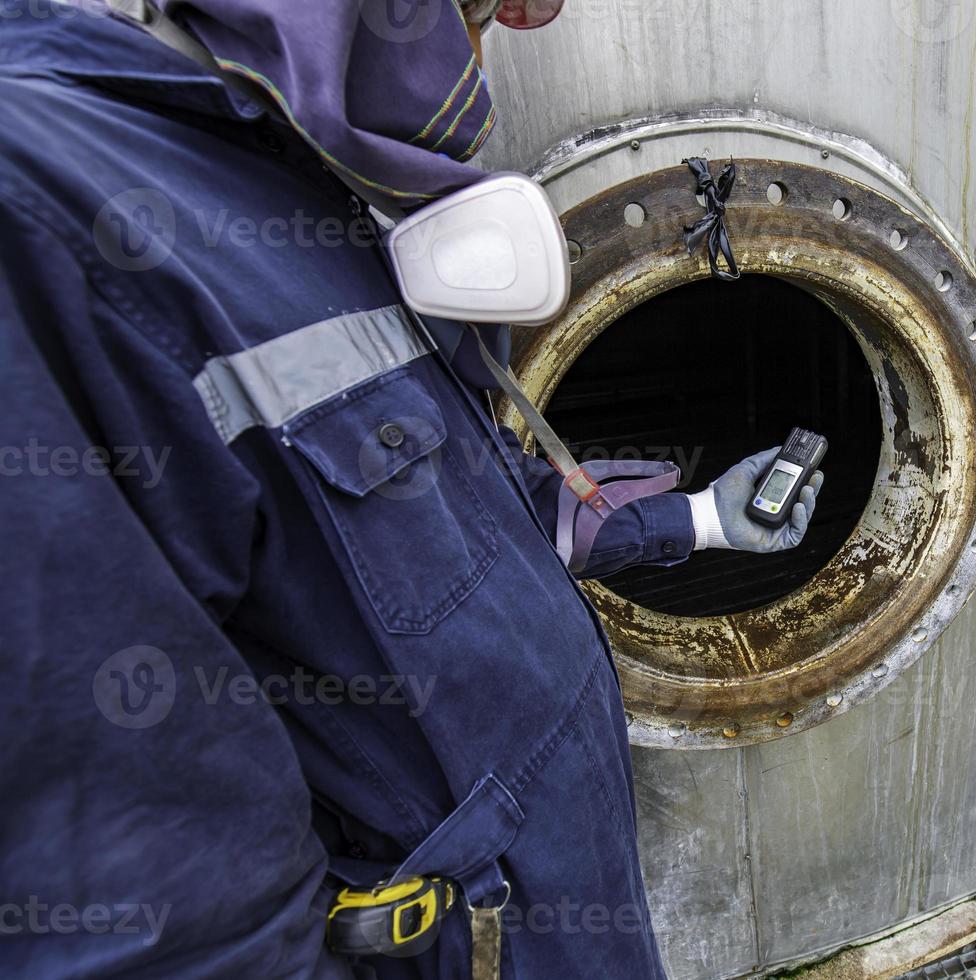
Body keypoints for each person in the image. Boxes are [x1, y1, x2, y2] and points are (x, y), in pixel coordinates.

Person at [0, 1, 822, 977]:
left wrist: (691, 517)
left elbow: (430, 514)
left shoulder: (285, 179)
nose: (530, 16)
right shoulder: (41, 208)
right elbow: (152, 917)